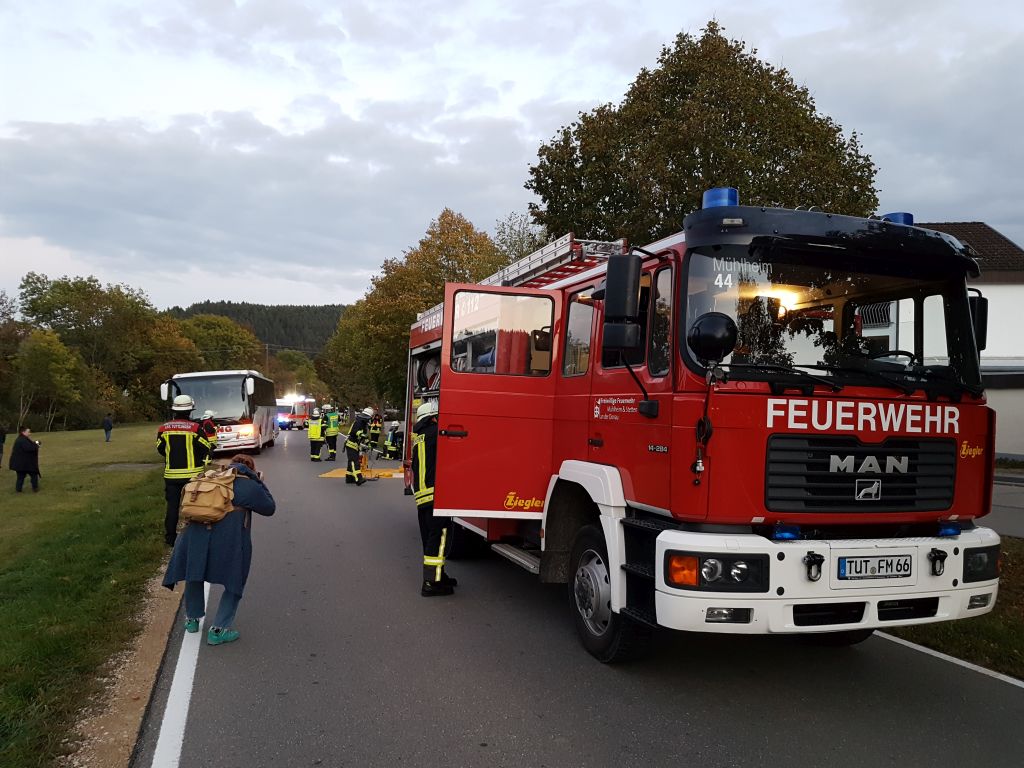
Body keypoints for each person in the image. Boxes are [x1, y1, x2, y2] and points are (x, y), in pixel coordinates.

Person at [162, 453, 276, 646]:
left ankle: (192, 620)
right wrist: (258, 479)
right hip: (228, 541)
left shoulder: (210, 477)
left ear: (231, 466)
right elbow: (269, 507)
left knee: (194, 573)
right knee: (234, 579)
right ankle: (219, 629)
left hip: (194, 536)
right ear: (250, 468)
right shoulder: (249, 485)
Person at [411, 401, 456, 596]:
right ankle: (430, 584)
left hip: (422, 497)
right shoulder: (436, 433)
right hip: (436, 496)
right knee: (438, 539)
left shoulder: (419, 437)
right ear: (434, 417)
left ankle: (439, 575)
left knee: (431, 538)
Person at [158, 395, 213, 547]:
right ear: (190, 411)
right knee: (195, 506)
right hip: (192, 476)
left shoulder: (163, 429)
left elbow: (160, 449)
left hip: (171, 476)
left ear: (174, 411)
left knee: (173, 508)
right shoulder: (196, 429)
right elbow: (205, 447)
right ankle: (194, 536)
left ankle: (170, 538)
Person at [345, 407, 372, 485]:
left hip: (355, 444)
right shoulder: (358, 422)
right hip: (351, 443)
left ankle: (349, 478)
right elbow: (355, 431)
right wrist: (361, 435)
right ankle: (358, 478)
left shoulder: (363, 424)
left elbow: (363, 436)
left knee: (351, 461)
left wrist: (367, 443)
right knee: (354, 461)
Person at [9, 425, 41, 493]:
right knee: (33, 474)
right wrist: (37, 445)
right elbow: (30, 448)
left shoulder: (22, 439)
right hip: (25, 464)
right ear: (23, 432)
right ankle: (35, 488)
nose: (30, 433)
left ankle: (18, 490)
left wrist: (36, 442)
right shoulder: (22, 440)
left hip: (20, 464)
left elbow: (30, 445)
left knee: (20, 477)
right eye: (28, 432)